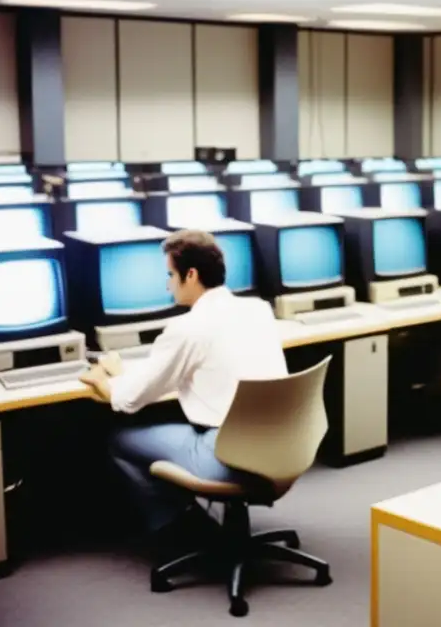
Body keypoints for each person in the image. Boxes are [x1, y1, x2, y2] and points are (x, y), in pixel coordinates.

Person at [79, 230, 287, 554]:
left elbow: (130, 399)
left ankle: (178, 527)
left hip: (227, 455)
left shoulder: (188, 327)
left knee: (119, 440)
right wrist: (130, 375)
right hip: (281, 445)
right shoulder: (258, 310)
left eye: (170, 274)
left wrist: (103, 381)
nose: (167, 284)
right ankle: (191, 522)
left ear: (191, 275)